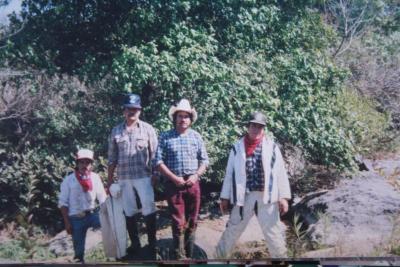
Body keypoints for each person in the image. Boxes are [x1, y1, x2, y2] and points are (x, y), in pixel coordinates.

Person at [216, 111, 291, 258]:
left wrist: (284, 197)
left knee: (273, 231)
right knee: (233, 228)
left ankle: (281, 261)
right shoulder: (236, 148)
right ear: (248, 127)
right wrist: (224, 197)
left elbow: (280, 172)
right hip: (243, 195)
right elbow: (229, 173)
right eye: (253, 126)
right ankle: (218, 259)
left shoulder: (272, 147)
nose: (256, 129)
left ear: (264, 129)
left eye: (259, 126)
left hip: (267, 196)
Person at [154, 99, 209, 259]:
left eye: (186, 116)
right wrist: (173, 177)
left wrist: (196, 175)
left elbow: (204, 161)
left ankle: (190, 253)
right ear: (175, 118)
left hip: (193, 183)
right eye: (180, 116)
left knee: (193, 220)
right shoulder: (165, 136)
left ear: (190, 119)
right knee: (178, 221)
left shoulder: (196, 137)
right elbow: (157, 162)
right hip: (173, 184)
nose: (183, 119)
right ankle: (178, 256)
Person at [107, 93, 158, 258]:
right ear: (124, 110)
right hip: (124, 178)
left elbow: (155, 154)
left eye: (135, 109)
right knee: (129, 211)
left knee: (149, 208)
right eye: (129, 109)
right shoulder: (116, 131)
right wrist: (109, 181)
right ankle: (135, 244)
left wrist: (156, 174)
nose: (132, 112)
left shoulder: (148, 129)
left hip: (144, 176)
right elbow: (111, 158)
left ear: (140, 111)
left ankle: (152, 244)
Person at [59, 148, 107, 263]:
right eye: (82, 162)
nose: (85, 165)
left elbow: (102, 198)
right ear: (77, 163)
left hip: (92, 215)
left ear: (91, 164)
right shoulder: (68, 180)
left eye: (88, 162)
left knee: (110, 226)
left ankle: (115, 255)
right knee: (78, 254)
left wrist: (108, 216)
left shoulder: (95, 177)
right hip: (76, 218)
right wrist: (67, 222)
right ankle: (79, 260)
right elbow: (63, 203)